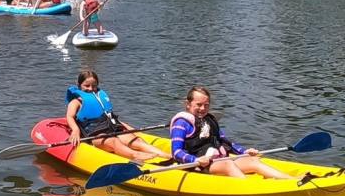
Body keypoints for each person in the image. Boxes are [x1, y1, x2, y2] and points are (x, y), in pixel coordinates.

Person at [169, 86, 297, 179]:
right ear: (188, 104)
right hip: (197, 164)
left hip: (216, 161)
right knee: (228, 164)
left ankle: (291, 181)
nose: (203, 108)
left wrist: (244, 152)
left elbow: (224, 141)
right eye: (199, 104)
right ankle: (249, 190)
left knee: (253, 161)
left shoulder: (209, 119)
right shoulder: (181, 123)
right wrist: (195, 159)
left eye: (206, 105)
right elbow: (176, 152)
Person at [65, 70, 170, 161]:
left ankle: (167, 156)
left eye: (94, 85)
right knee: (114, 141)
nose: (91, 89)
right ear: (79, 85)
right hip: (96, 135)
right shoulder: (76, 102)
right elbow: (69, 116)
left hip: (113, 129)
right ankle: (135, 155)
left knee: (136, 141)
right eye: (86, 86)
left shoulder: (100, 97)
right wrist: (75, 130)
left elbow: (110, 117)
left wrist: (129, 128)